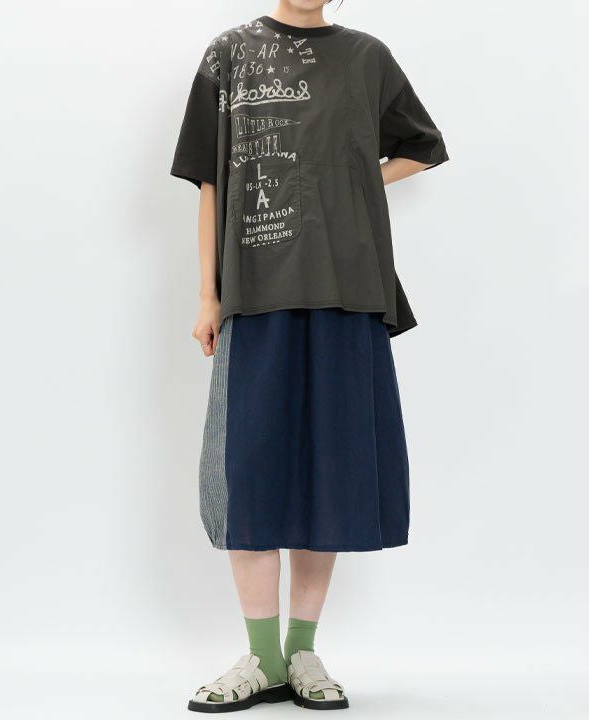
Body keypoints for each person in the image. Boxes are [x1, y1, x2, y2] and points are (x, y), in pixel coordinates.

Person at [171, 0, 448, 712]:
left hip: (346, 286)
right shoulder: (229, 54)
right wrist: (207, 294)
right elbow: (210, 181)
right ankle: (260, 657)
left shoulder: (367, 57)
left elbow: (422, 144)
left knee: (330, 470)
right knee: (250, 468)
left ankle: (301, 652)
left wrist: (353, 180)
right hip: (254, 288)